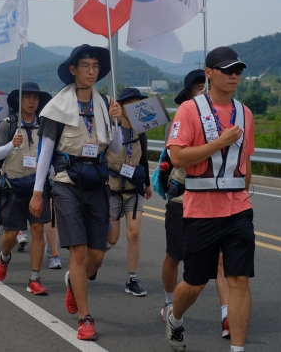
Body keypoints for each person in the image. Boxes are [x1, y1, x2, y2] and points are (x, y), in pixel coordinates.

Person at [164, 47, 255, 352]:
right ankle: (175, 317)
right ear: (209, 72)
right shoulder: (190, 110)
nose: (234, 76)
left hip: (238, 209)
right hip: (201, 210)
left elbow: (246, 159)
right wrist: (220, 142)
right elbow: (177, 157)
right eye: (228, 70)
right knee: (195, 283)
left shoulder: (245, 113)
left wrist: (243, 190)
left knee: (239, 279)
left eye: (238, 71)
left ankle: (237, 349)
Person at [32, 44, 122, 340]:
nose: (91, 71)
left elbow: (117, 148)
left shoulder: (106, 103)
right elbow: (45, 150)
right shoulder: (58, 106)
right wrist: (38, 191)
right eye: (85, 66)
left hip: (97, 180)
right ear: (73, 70)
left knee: (98, 254)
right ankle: (85, 317)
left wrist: (117, 121)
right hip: (65, 181)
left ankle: (74, 282)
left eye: (95, 66)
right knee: (80, 251)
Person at [161, 69, 231, 338]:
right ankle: (170, 302)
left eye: (206, 86)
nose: (204, 91)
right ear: (189, 93)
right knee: (175, 255)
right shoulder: (182, 118)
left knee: (222, 261)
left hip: (218, 199)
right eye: (198, 88)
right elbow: (180, 156)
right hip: (184, 198)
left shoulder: (227, 118)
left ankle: (227, 315)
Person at [0, 82, 52, 295]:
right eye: (27, 97)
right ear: (19, 100)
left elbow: (50, 153)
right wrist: (11, 145)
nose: (32, 101)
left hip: (37, 186)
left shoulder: (44, 124)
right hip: (13, 186)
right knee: (9, 234)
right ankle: (4, 257)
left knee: (37, 230)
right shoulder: (7, 124)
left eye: (35, 98)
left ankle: (34, 278)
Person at [105, 88, 152, 297]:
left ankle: (132, 279)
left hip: (134, 190)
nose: (135, 108)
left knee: (134, 233)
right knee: (111, 239)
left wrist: (148, 183)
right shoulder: (109, 128)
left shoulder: (140, 130)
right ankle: (92, 260)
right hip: (113, 189)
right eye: (130, 104)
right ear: (121, 107)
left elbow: (143, 159)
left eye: (138, 104)